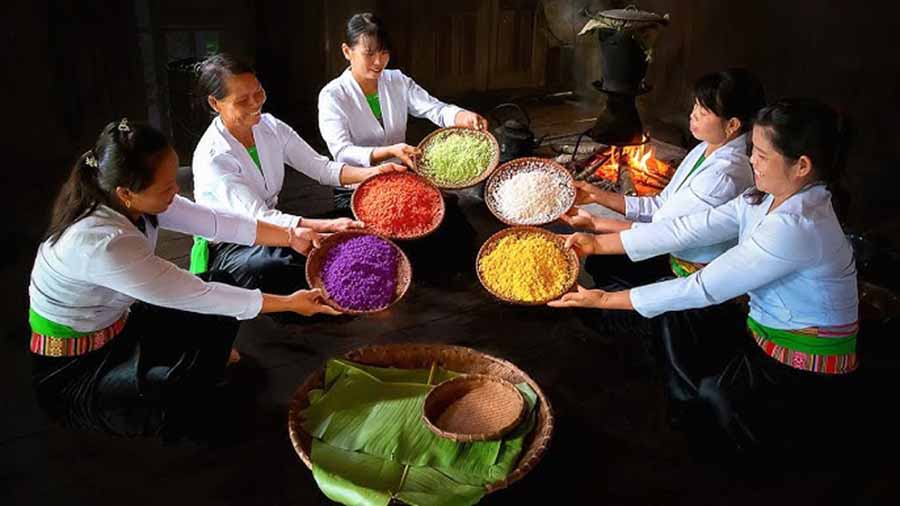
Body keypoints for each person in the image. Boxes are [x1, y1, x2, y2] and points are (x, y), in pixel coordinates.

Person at [550, 99, 859, 461]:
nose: (752, 161)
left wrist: (601, 299)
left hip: (804, 356)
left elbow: (702, 287)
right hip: (761, 325)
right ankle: (691, 396)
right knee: (678, 324)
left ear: (802, 166)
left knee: (717, 398)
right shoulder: (764, 197)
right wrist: (597, 244)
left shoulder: (798, 225)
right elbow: (688, 228)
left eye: (761, 155)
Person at [29, 119, 339, 442]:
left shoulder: (131, 200)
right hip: (75, 365)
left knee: (223, 285)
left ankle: (186, 368)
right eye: (165, 188)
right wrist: (289, 303)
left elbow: (216, 222)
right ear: (126, 192)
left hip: (120, 323)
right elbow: (197, 294)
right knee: (176, 401)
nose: (175, 191)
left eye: (174, 180)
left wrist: (291, 235)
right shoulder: (102, 244)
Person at [190, 53, 404, 292]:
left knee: (342, 237)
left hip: (276, 226)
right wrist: (327, 226)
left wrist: (374, 173)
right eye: (242, 100)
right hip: (233, 243)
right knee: (274, 266)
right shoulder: (215, 157)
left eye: (258, 93)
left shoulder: (270, 126)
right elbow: (258, 217)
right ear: (215, 103)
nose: (255, 104)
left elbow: (321, 167)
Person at [318, 12, 487, 209]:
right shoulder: (333, 95)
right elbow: (342, 152)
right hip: (356, 187)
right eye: (369, 53)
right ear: (347, 51)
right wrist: (390, 150)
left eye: (384, 52)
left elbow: (435, 109)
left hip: (400, 176)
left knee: (449, 221)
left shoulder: (396, 80)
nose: (378, 62)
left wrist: (460, 115)